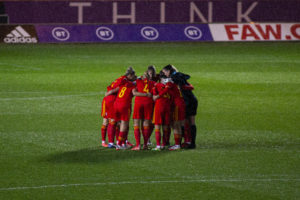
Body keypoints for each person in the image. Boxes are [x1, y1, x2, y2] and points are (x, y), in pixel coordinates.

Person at [162, 64, 198, 149]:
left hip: (186, 101)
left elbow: (179, 83)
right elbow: (188, 79)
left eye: (164, 72)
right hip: (192, 99)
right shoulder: (178, 74)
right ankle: (190, 142)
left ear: (168, 71)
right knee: (190, 122)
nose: (164, 74)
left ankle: (183, 142)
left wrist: (169, 80)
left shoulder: (174, 77)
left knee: (183, 122)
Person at [104, 67, 137, 149]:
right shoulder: (124, 81)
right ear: (129, 75)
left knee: (118, 122)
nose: (135, 76)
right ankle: (117, 142)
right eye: (133, 75)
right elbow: (116, 89)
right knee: (118, 122)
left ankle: (122, 141)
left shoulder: (123, 79)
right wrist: (110, 93)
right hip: (114, 100)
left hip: (115, 100)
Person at [131, 66, 156, 150]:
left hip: (139, 103)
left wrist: (143, 94)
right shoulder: (153, 83)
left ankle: (138, 145)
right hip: (149, 104)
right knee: (146, 124)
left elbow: (134, 92)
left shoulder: (138, 81)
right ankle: (145, 144)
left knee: (136, 124)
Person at [101, 74, 127, 148]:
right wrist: (110, 92)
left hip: (110, 100)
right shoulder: (124, 80)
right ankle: (107, 142)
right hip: (110, 101)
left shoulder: (121, 78)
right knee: (109, 121)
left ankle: (116, 141)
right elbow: (119, 88)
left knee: (115, 121)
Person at [152, 73, 172, 151]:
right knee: (161, 127)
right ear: (161, 79)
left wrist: (158, 95)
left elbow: (154, 97)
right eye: (164, 79)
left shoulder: (165, 86)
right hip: (161, 108)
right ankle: (160, 145)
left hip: (163, 108)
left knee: (164, 127)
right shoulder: (159, 86)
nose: (165, 80)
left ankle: (161, 145)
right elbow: (154, 97)